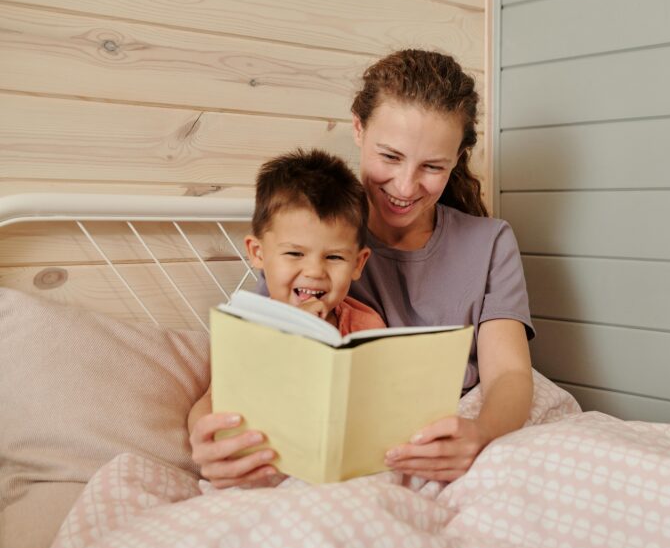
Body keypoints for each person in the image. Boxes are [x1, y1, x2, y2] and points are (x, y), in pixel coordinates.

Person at [191, 49, 534, 487]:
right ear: (358, 128)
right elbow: (230, 383)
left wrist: (480, 435)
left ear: (458, 156)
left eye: (432, 167)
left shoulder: (490, 242)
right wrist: (204, 440)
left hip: (458, 430)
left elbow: (509, 374)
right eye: (389, 157)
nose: (405, 186)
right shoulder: (311, 243)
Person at [188, 148, 384, 487]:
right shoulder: (246, 326)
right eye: (294, 253)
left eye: (334, 257)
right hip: (263, 468)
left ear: (358, 263)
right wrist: (207, 441)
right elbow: (211, 401)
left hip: (342, 474)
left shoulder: (365, 325)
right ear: (258, 253)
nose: (314, 271)